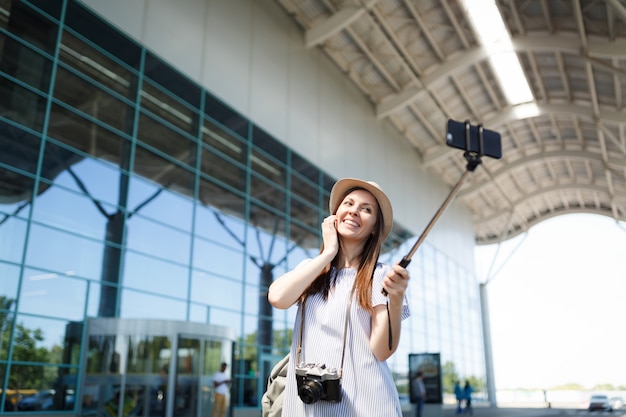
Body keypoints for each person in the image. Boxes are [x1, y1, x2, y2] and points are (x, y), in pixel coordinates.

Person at [268, 178, 411, 416]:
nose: (354, 211)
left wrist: (395, 300)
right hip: (308, 405)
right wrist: (328, 253)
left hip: (366, 404)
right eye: (349, 203)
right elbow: (277, 298)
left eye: (366, 209)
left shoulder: (380, 274)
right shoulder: (311, 268)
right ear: (335, 215)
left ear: (375, 226)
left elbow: (381, 351)